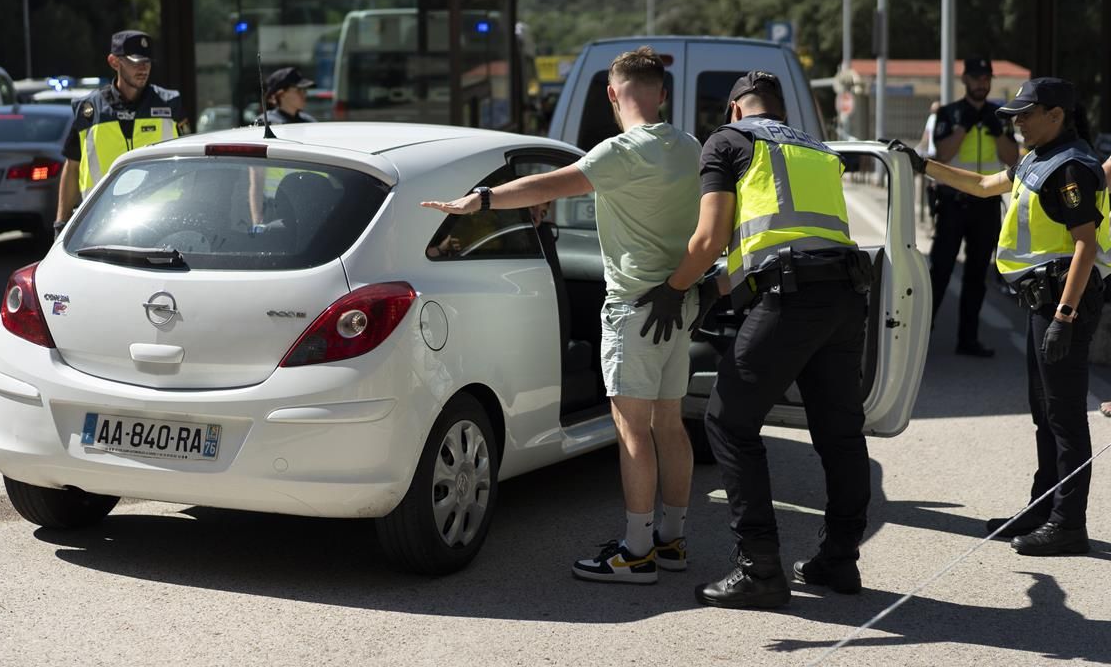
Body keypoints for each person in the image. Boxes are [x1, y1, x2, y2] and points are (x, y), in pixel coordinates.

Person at [422, 46, 703, 584]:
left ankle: (636, 551)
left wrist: (477, 202)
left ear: (612, 95)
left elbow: (549, 183)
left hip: (633, 307)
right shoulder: (686, 147)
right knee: (669, 423)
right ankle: (672, 540)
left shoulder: (618, 153)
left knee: (631, 429)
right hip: (678, 300)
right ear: (662, 93)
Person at [640, 70, 872, 609]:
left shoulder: (729, 140)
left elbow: (710, 237)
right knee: (840, 432)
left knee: (727, 420)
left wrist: (675, 289)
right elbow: (771, 243)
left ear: (735, 109)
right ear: (776, 108)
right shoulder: (815, 148)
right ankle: (840, 560)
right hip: (843, 293)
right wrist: (714, 290)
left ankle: (760, 568)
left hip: (791, 298)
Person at [890, 76, 1107, 556]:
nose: (1017, 122)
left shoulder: (1069, 166)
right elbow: (987, 185)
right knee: (1045, 414)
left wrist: (1065, 317)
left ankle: (1069, 524)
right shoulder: (1036, 157)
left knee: (1065, 417)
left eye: (1026, 114)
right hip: (1042, 300)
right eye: (1016, 115)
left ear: (1056, 115)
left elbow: (1085, 245)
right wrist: (924, 165)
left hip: (1061, 301)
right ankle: (1043, 506)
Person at [928, 57, 1020, 357]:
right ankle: (921, 336)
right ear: (965, 80)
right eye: (977, 77)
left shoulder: (1000, 115)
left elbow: (1011, 160)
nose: (982, 82)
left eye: (987, 78)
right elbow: (942, 154)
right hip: (953, 202)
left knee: (977, 274)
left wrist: (998, 131)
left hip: (987, 205)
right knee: (940, 271)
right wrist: (963, 126)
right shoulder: (949, 112)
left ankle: (967, 340)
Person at [55, 30, 187, 231]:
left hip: (163, 220)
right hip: (99, 222)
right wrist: (61, 223)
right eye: (135, 61)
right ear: (114, 62)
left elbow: (192, 164)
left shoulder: (170, 104)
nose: (143, 68)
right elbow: (72, 167)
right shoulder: (90, 110)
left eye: (148, 61)